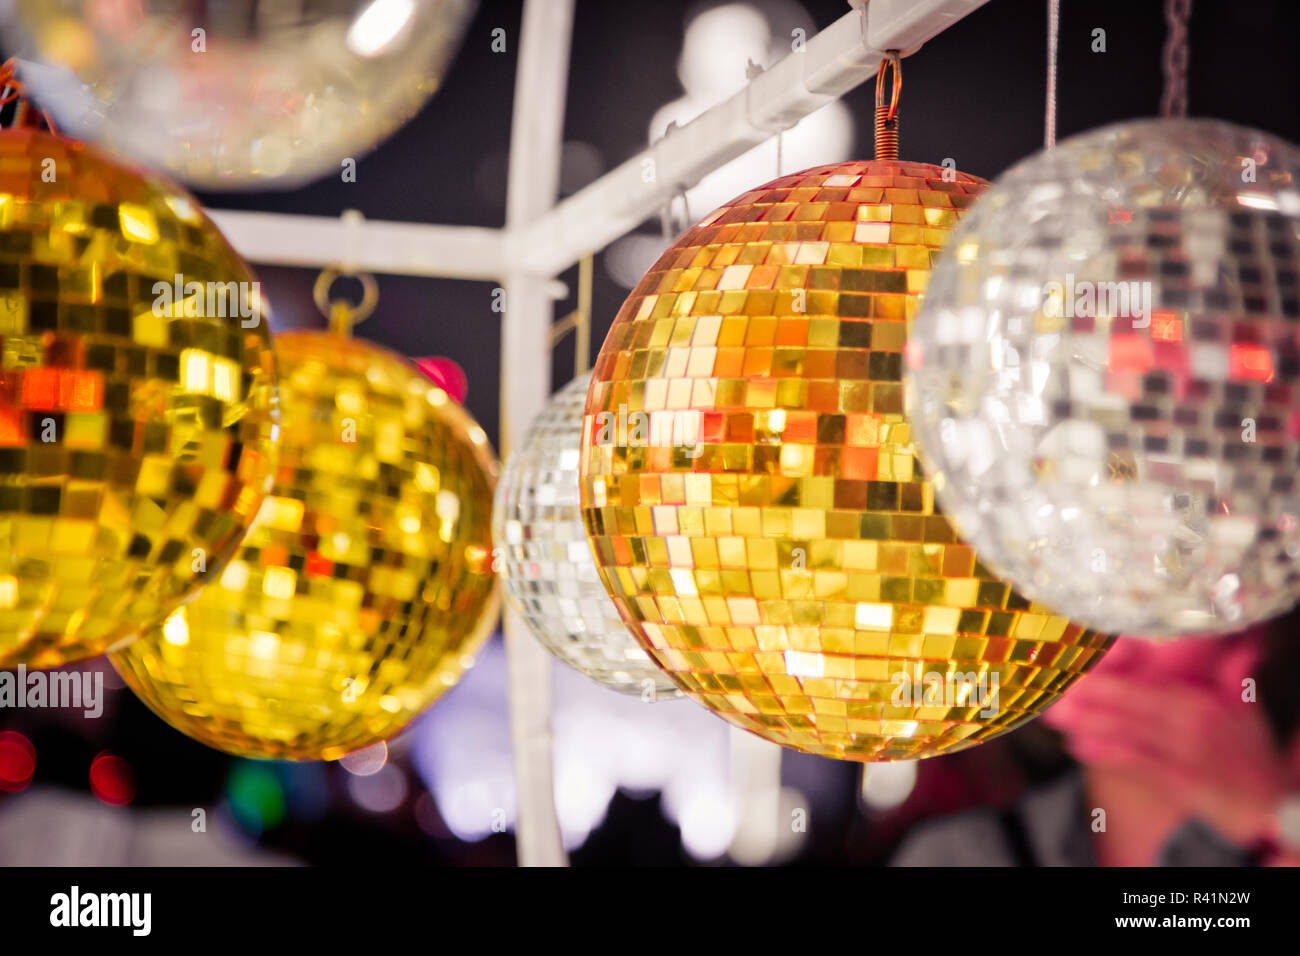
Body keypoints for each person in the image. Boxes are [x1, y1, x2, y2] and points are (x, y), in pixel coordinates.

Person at [891, 613, 1300, 866]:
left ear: (1248, 640)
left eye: (1153, 606)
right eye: (1074, 600)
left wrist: (1278, 820)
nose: (1105, 645)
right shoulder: (960, 855)